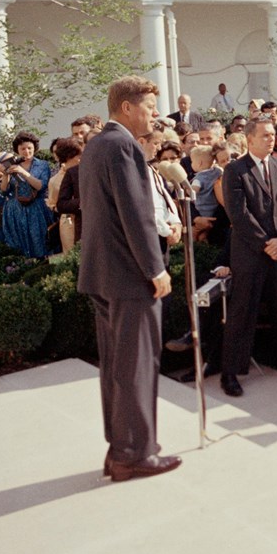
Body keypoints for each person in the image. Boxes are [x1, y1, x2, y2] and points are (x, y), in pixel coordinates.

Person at [77, 75, 180, 481]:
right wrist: (155, 268)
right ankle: (134, 454)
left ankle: (121, 448)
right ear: (126, 108)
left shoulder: (97, 145)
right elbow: (134, 215)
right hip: (129, 278)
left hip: (104, 276)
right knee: (136, 365)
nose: (155, 115)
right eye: (150, 107)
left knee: (118, 367)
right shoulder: (122, 146)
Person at [219, 117, 277, 396]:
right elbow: (239, 215)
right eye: (264, 135)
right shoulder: (235, 170)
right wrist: (267, 242)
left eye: (272, 135)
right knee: (242, 312)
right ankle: (230, 372)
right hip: (251, 254)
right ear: (250, 139)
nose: (270, 139)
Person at [0, 131, 52, 259]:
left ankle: (41, 266)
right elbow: (4, 190)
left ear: (34, 148)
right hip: (15, 209)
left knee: (40, 240)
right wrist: (5, 174)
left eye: (29, 148)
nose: (26, 151)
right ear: (17, 150)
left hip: (36, 208)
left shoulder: (42, 165)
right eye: (23, 149)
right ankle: (20, 268)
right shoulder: (11, 164)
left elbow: (41, 186)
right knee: (17, 244)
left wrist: (23, 173)